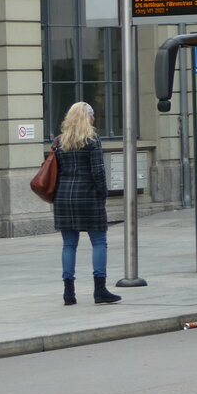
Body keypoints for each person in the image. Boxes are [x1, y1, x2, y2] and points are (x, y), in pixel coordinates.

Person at [53, 102, 121, 305]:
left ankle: (69, 293)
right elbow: (98, 172)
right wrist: (103, 193)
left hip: (64, 197)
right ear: (87, 118)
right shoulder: (92, 140)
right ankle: (99, 290)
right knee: (99, 242)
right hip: (88, 196)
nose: (93, 119)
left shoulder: (59, 142)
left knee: (69, 245)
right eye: (92, 116)